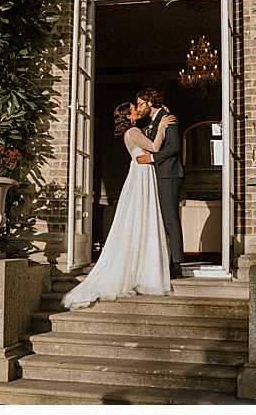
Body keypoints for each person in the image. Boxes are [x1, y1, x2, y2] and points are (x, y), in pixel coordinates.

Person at [63, 97, 171, 307]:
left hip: (140, 174)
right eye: (133, 109)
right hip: (141, 175)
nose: (137, 110)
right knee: (141, 217)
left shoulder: (133, 132)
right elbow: (155, 147)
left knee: (140, 219)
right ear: (128, 115)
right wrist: (163, 127)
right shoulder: (133, 132)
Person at [139, 87, 185, 276]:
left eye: (141, 103)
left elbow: (174, 147)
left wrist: (152, 159)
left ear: (150, 102)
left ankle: (176, 264)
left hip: (169, 175)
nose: (140, 107)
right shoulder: (153, 121)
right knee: (160, 218)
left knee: (170, 219)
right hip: (157, 175)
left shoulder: (168, 118)